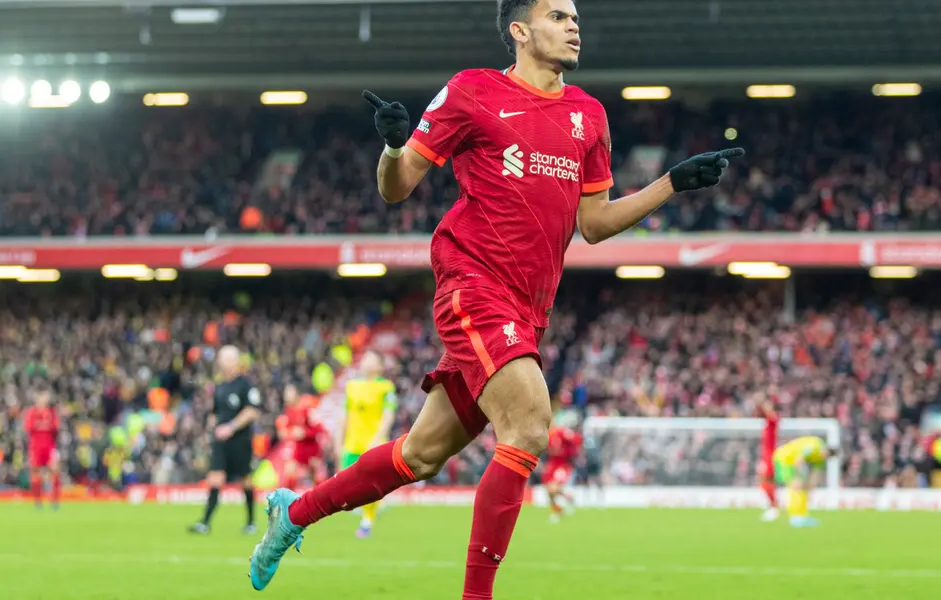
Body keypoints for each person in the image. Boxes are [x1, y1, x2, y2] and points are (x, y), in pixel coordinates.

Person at [248, 0, 741, 594]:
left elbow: (594, 224)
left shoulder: (589, 115)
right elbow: (397, 187)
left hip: (528, 311)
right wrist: (392, 148)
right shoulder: (472, 91)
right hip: (472, 284)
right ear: (520, 30)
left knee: (421, 455)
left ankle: (292, 513)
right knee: (530, 426)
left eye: (575, 17)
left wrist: (671, 183)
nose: (573, 25)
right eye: (558, 16)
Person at [190, 345, 263, 535]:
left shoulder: (246, 384)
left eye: (224, 359)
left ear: (234, 361)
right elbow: (215, 413)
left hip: (240, 440)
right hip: (220, 441)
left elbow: (252, 411)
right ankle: (204, 523)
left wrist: (231, 427)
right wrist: (211, 431)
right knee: (215, 477)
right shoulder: (220, 386)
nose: (220, 363)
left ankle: (251, 522)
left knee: (245, 479)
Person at [335, 351, 399, 538]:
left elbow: (388, 414)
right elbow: (344, 416)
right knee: (345, 486)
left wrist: (378, 438)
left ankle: (367, 521)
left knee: (370, 485)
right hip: (352, 444)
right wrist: (339, 442)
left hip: (373, 444)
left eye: (370, 359)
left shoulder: (386, 387)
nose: (365, 362)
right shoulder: (352, 387)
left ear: (379, 366)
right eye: (364, 359)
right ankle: (374, 505)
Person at [772, 436, 836, 528]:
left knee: (803, 488)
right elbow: (799, 459)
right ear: (825, 449)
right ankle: (795, 516)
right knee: (795, 486)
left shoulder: (820, 458)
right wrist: (798, 475)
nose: (823, 456)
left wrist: (811, 485)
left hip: (793, 462)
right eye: (825, 453)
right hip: (784, 458)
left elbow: (816, 473)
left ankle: (803, 515)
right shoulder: (815, 445)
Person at [276, 383, 328, 490]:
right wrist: (286, 431)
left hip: (311, 446)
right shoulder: (288, 410)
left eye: (289, 391)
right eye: (286, 392)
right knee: (290, 472)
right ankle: (289, 502)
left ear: (296, 393)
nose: (287, 395)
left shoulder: (308, 406)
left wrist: (305, 432)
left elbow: (319, 428)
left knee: (317, 474)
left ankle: (320, 500)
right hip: (298, 447)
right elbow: (287, 429)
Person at [22, 388, 61, 510]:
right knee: (35, 473)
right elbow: (28, 428)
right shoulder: (32, 413)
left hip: (49, 447)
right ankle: (38, 501)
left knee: (55, 471)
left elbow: (56, 429)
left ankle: (54, 501)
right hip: (36, 447)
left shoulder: (52, 412)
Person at [542, 413, 582, 523]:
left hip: (562, 465)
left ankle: (557, 513)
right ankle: (567, 499)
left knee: (553, 489)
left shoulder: (561, 432)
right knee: (550, 492)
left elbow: (576, 439)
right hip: (552, 464)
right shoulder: (548, 435)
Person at [757, 399, 780, 522]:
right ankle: (772, 506)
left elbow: (774, 417)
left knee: (766, 481)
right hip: (766, 454)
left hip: (770, 455)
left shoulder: (772, 420)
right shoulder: (767, 421)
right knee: (764, 481)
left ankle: (773, 507)